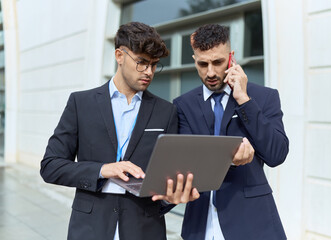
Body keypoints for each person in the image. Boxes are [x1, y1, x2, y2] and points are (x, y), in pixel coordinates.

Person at [40, 22, 199, 240]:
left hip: (145, 229)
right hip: (90, 228)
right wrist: (103, 170)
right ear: (119, 55)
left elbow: (167, 180)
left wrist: (171, 197)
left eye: (154, 65)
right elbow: (51, 166)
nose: (149, 72)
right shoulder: (81, 103)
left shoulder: (167, 111)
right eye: (142, 63)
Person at [173, 24, 289, 240]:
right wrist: (230, 160)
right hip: (200, 223)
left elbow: (276, 154)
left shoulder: (264, 97)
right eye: (202, 64)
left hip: (251, 222)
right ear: (194, 60)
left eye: (217, 62)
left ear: (231, 57)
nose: (210, 72)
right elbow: (186, 161)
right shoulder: (182, 105)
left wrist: (244, 100)